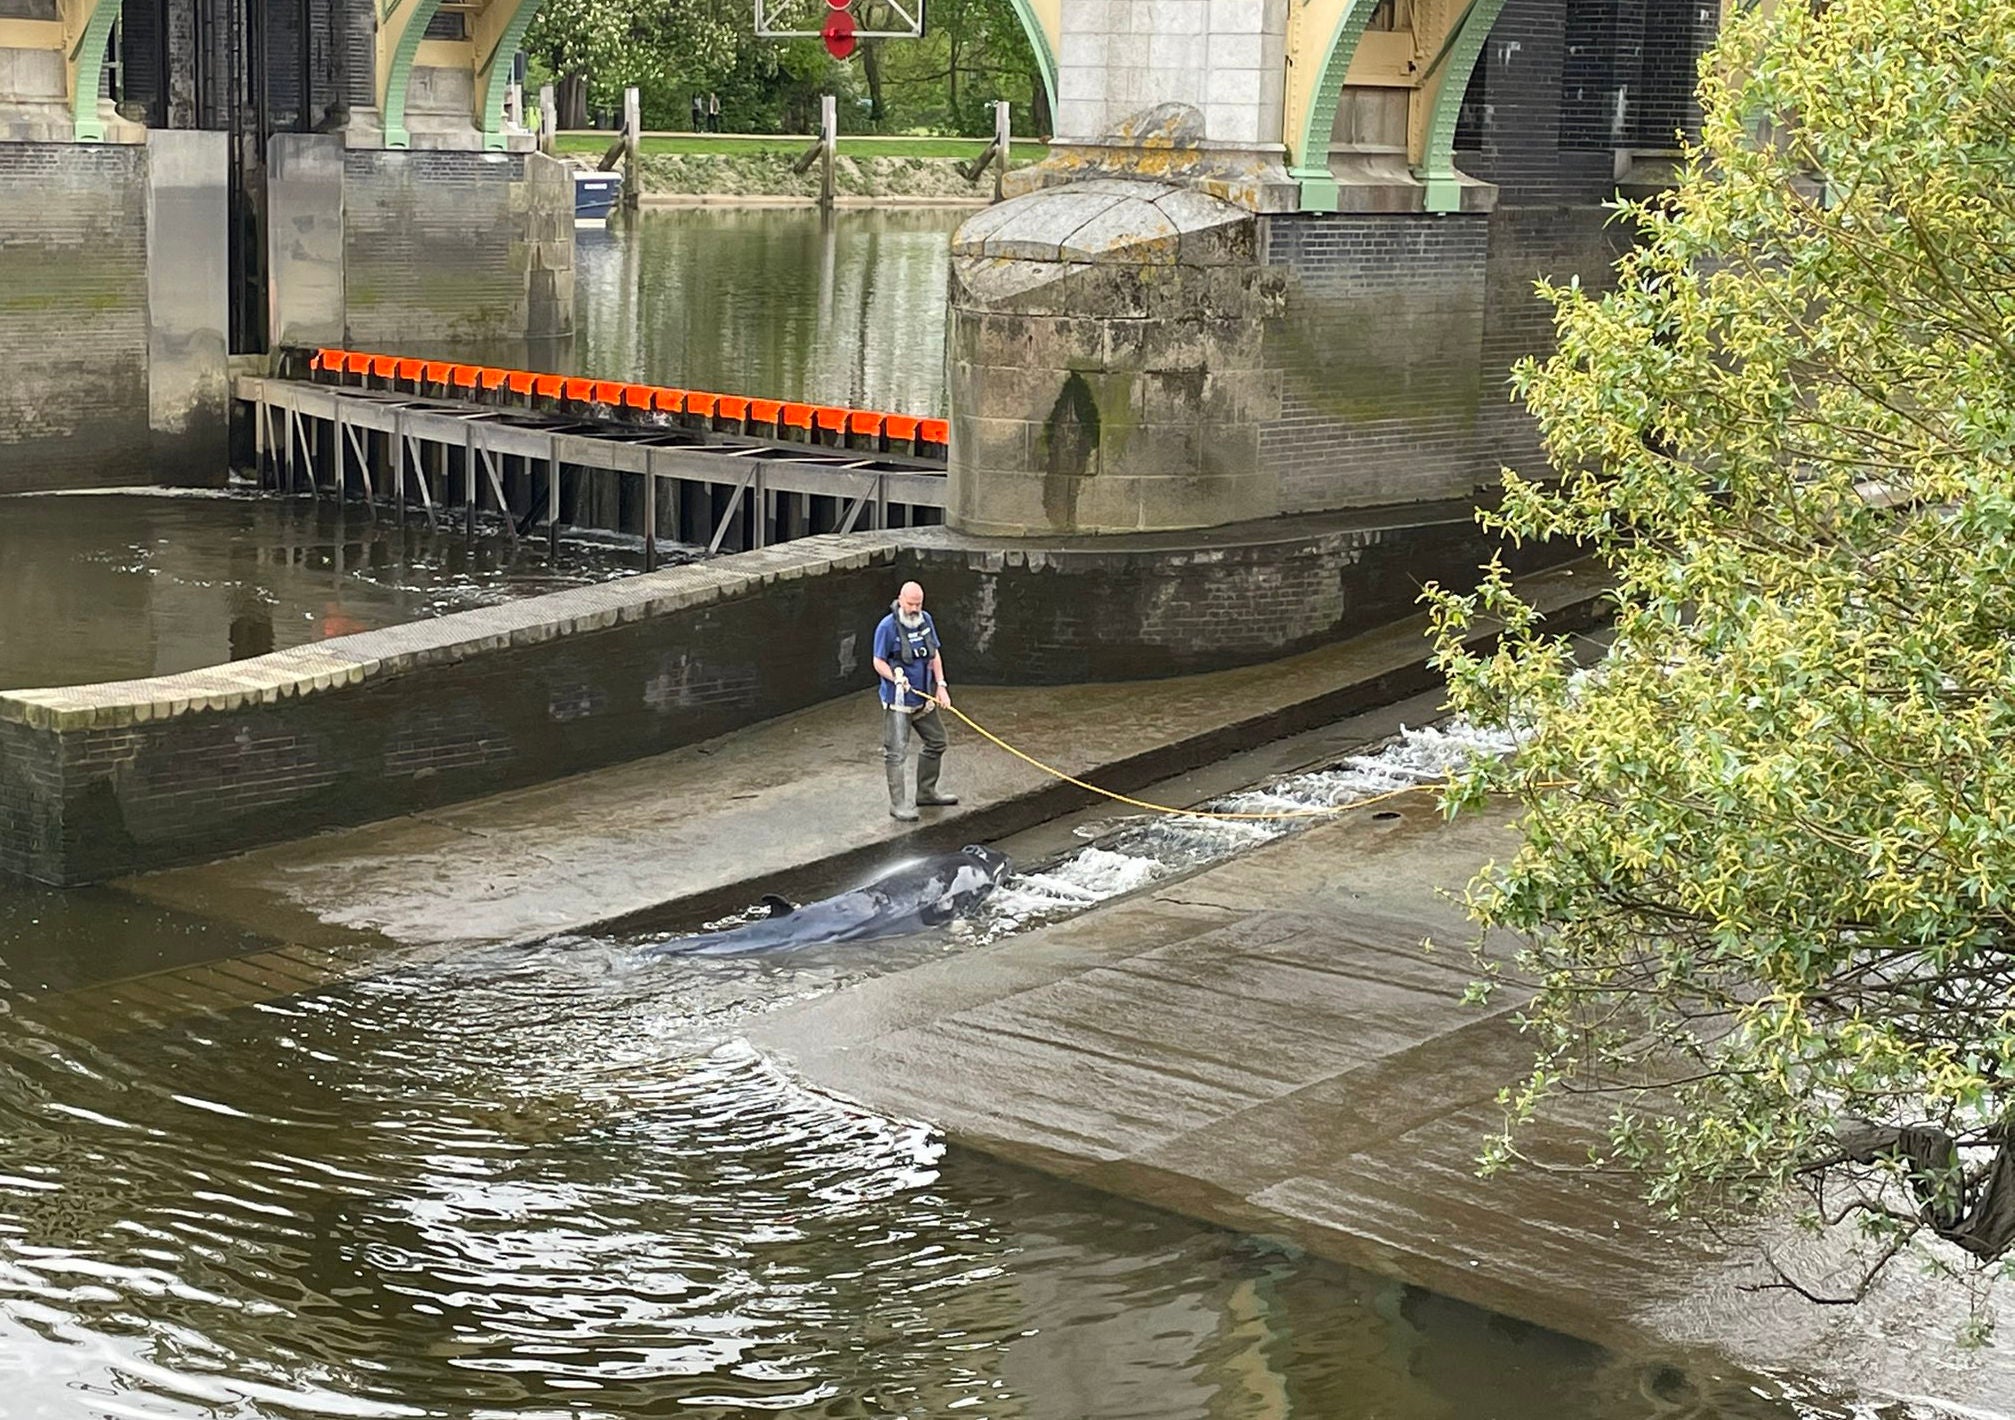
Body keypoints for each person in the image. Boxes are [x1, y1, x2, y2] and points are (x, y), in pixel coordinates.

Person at [872, 581, 956, 822]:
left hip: (923, 697)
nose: (914, 608)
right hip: (899, 702)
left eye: (918, 604)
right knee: (896, 752)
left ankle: (926, 791)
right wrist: (894, 677)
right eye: (910, 604)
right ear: (900, 599)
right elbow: (878, 662)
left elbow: (934, 654)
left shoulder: (926, 620)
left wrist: (941, 686)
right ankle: (898, 804)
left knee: (937, 741)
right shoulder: (886, 627)